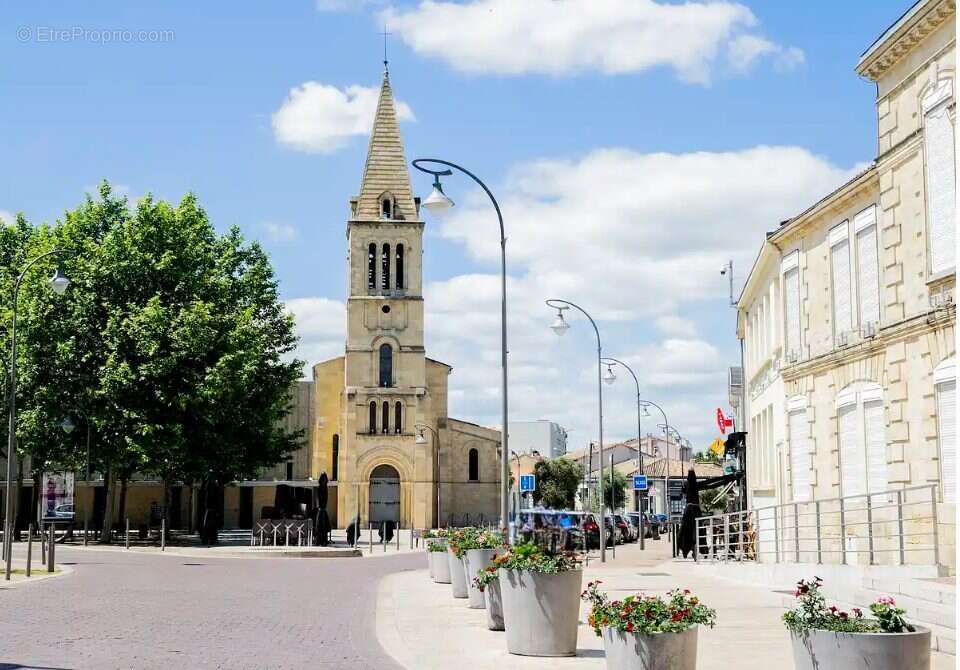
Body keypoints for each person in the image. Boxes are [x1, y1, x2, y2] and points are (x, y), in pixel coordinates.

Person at [677, 468, 700, 558]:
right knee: (697, 528)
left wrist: (683, 488)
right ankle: (697, 547)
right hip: (696, 509)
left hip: (688, 509)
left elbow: (683, 492)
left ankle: (684, 549)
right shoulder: (697, 485)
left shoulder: (686, 484)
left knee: (685, 529)